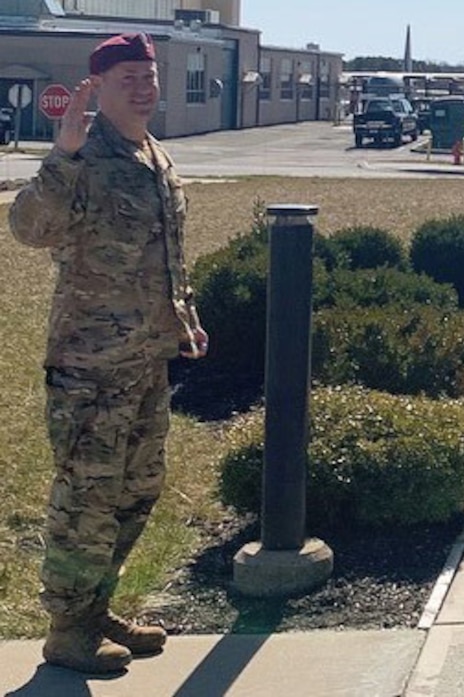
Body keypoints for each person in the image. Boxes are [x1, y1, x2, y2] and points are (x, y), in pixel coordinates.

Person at [9, 32, 209, 675]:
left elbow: (166, 252)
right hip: (90, 364)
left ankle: (96, 608)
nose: (145, 87)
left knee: (137, 489)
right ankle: (68, 627)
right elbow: (29, 229)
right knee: (87, 499)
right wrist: (62, 152)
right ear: (98, 87)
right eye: (128, 77)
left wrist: (184, 318)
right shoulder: (85, 157)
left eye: (149, 76)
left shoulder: (153, 154)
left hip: (145, 359)